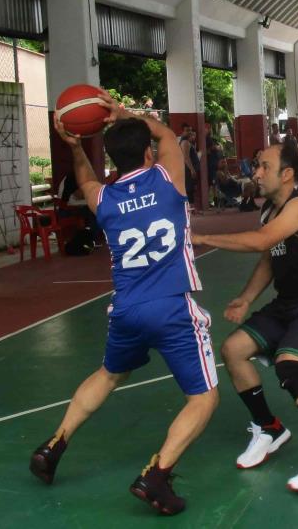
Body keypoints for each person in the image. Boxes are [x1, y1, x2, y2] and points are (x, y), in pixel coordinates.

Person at [30, 93, 219, 516]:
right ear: (149, 153)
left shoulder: (105, 200)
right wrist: (126, 114)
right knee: (203, 398)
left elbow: (85, 180)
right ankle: (157, 474)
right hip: (171, 307)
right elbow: (167, 133)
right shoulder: (168, 180)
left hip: (127, 309)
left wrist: (76, 146)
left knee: (110, 372)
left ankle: (54, 443)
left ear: (113, 159)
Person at [192, 144, 298, 492]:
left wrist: (203, 236)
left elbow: (261, 241)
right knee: (234, 350)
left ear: (287, 174)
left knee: (290, 365)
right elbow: (270, 256)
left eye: (264, 166)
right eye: (257, 166)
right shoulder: (269, 210)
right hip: (290, 301)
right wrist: (246, 298)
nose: (256, 172)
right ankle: (269, 428)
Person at [180, 128, 199, 206]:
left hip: (189, 168)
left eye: (190, 130)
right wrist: (192, 169)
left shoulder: (189, 143)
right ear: (183, 132)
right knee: (189, 189)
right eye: (187, 130)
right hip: (187, 170)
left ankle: (191, 207)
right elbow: (186, 157)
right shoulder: (185, 143)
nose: (189, 132)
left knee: (191, 188)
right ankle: (190, 207)